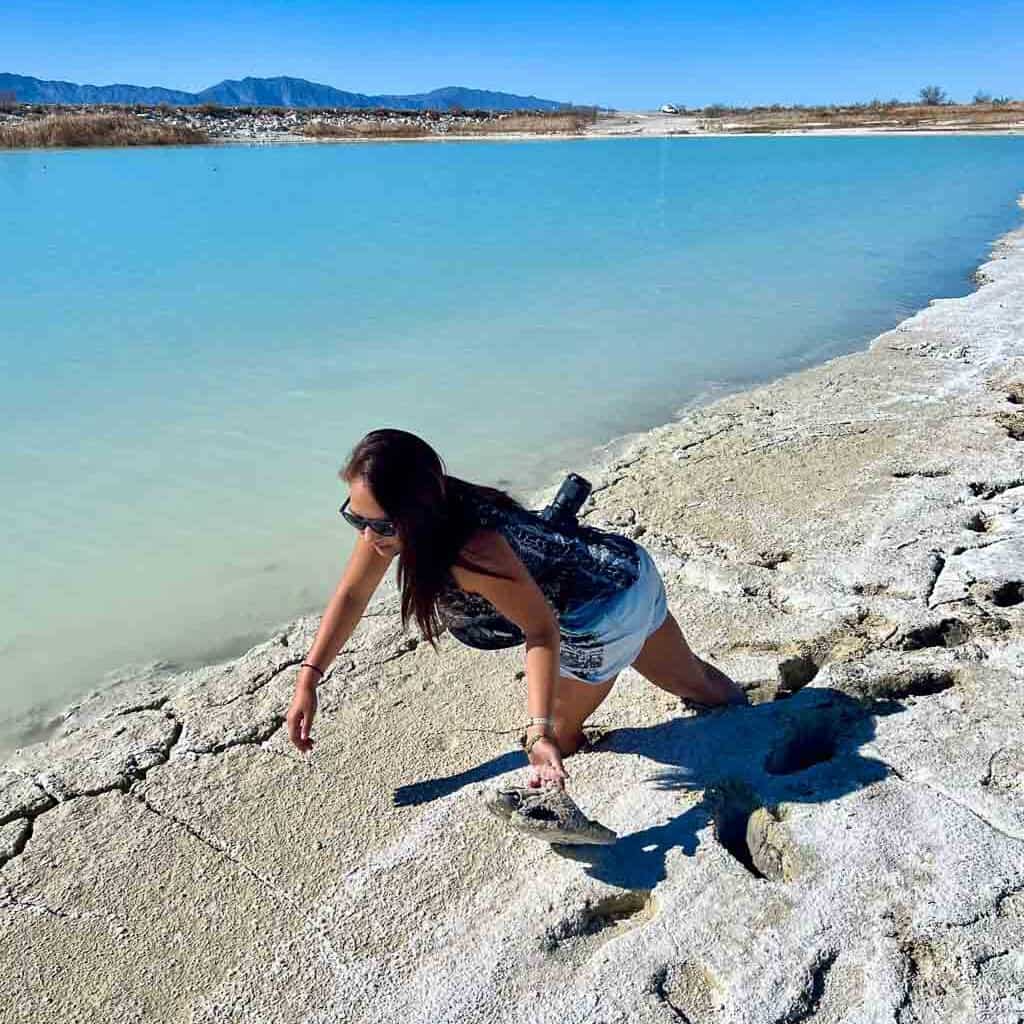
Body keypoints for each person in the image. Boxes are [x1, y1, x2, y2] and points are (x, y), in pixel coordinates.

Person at [286, 428, 746, 788]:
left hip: (599, 619)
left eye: (377, 524)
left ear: (414, 511)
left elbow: (542, 632)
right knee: (697, 683)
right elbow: (352, 595)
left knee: (549, 739)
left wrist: (542, 729)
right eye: (354, 517)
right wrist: (309, 677)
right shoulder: (416, 517)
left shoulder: (471, 552)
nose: (366, 536)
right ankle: (754, 716)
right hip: (629, 572)